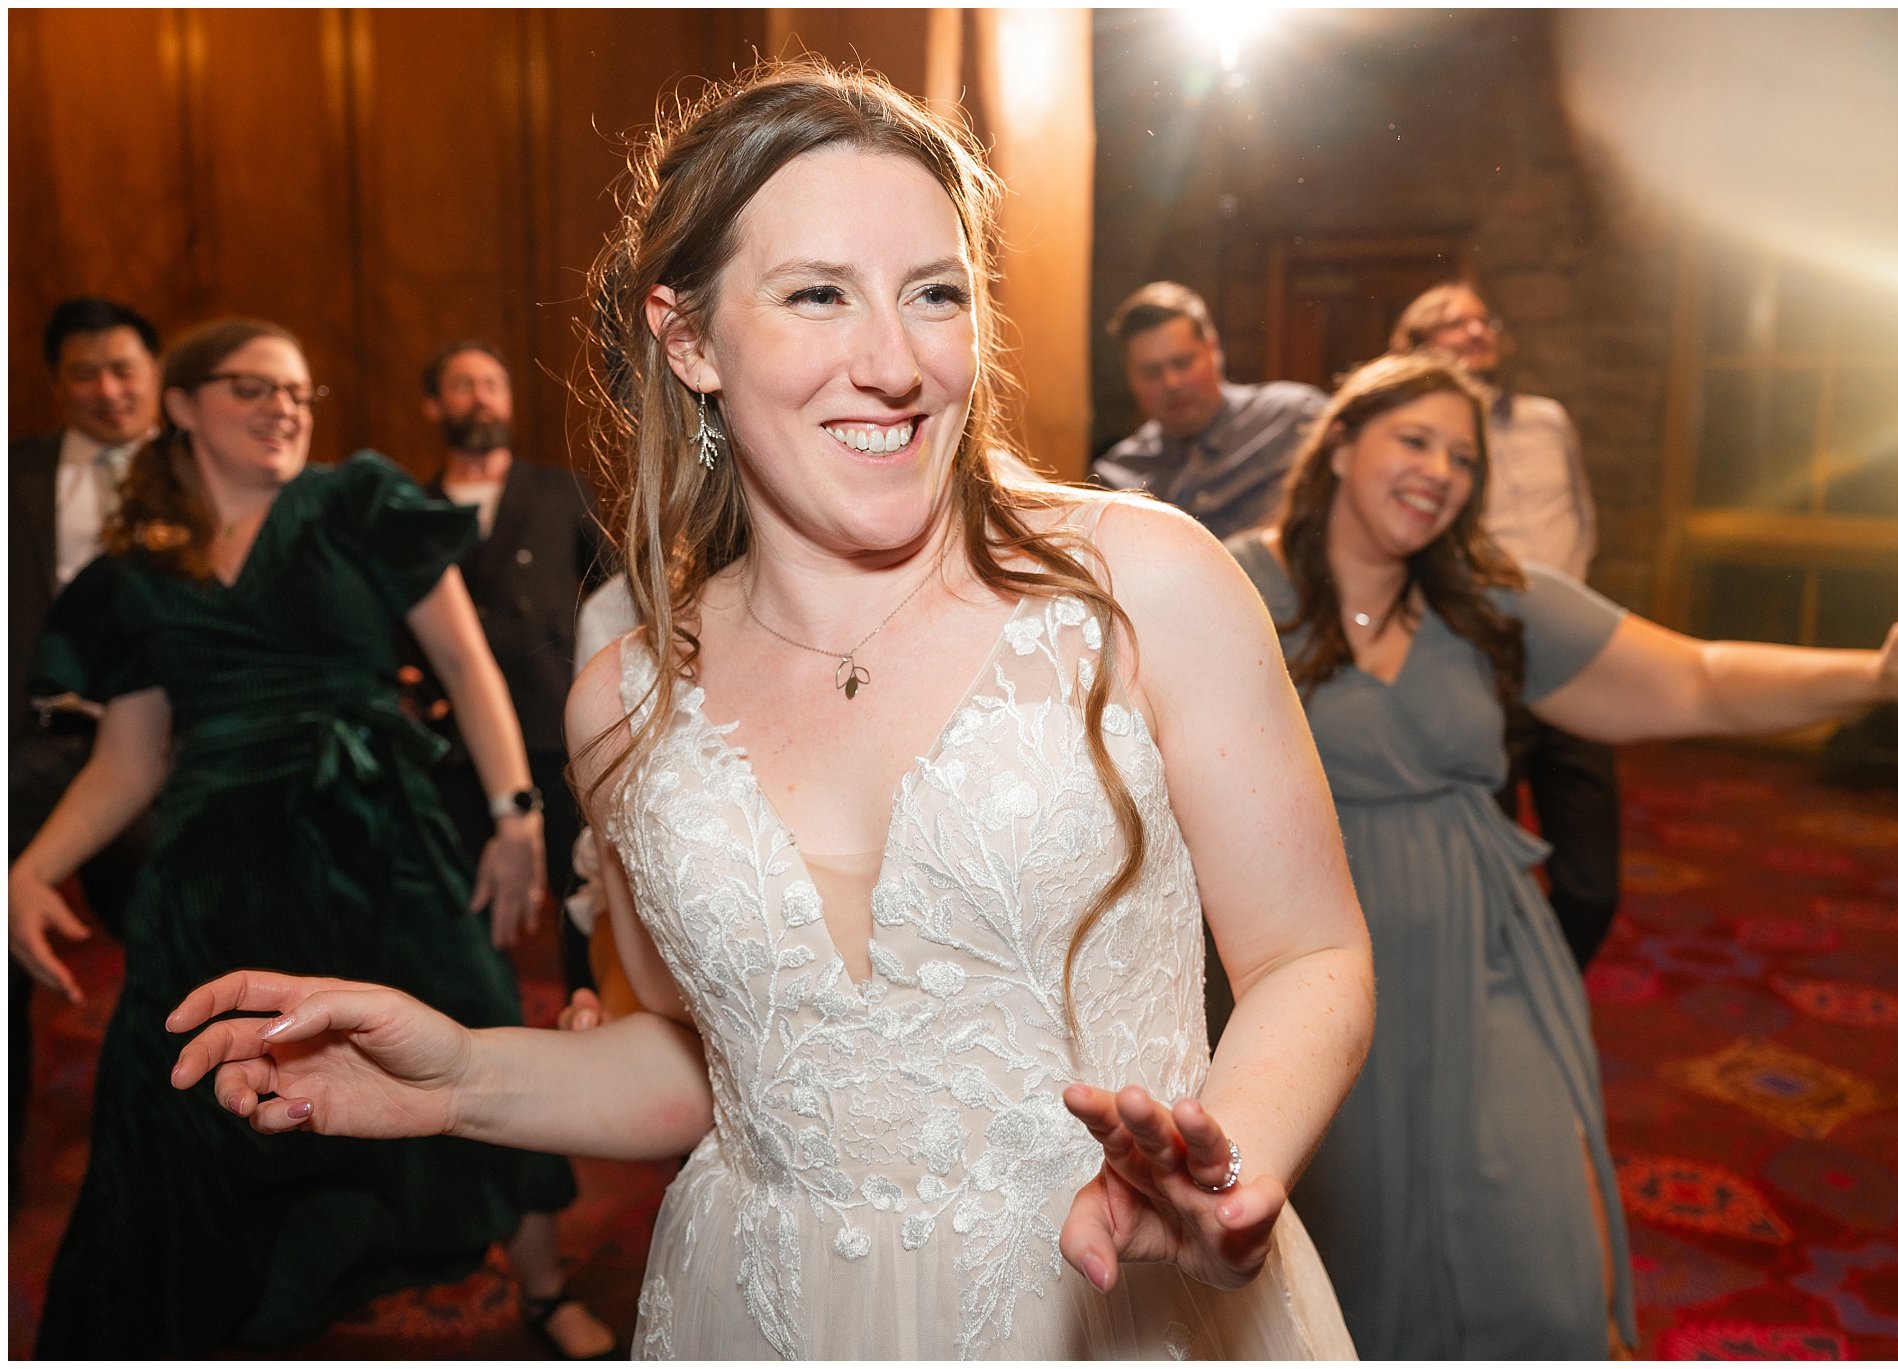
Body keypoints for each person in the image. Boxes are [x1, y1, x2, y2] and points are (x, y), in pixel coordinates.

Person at [167, 63, 1375, 1360]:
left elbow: (1311, 956)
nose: (896, 363)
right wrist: (465, 1074)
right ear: (687, 339)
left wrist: (1224, 1169)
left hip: (1119, 1304)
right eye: (817, 295)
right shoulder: (624, 701)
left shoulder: (1143, 583)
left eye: (935, 295)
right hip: (762, 1303)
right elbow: (722, 1074)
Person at [1229, 351, 1898, 1358]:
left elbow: (1701, 678)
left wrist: (1875, 674)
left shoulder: (1491, 602)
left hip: (1485, 957)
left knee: (1541, 1264)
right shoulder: (1237, 587)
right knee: (1340, 1256)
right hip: (1307, 967)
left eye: (1461, 457)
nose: (1437, 470)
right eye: (1411, 439)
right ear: (1339, 442)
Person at [6, 317, 615, 1357]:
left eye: (296, 391)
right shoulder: (142, 568)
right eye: (252, 388)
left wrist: (515, 814)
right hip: (218, 868)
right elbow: (127, 759)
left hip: (384, 837)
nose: (284, 406)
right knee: (187, 1088)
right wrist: (30, 867)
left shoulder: (357, 504)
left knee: (475, 1028)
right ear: (184, 407)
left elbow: (468, 671)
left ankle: (544, 1287)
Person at [1391, 282, 1621, 967]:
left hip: (1569, 661)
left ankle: (1544, 975)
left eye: (1480, 320)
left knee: (1591, 887)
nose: (1473, 331)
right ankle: (1491, 992)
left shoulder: (1549, 419)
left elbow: (1582, 515)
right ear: (1414, 348)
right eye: (1449, 324)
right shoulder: (1420, 441)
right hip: (1477, 662)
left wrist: (1565, 604)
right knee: (1483, 869)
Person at [7, 296, 163, 1206]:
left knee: (173, 937)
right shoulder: (14, 474)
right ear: (56, 384)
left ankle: (165, 1154)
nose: (106, 391)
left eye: (123, 371)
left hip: (154, 755)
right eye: (83, 374)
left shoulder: (202, 474)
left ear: (155, 378)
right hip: (26, 743)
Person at [410, 338, 609, 995]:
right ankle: (479, 1014)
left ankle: (590, 1006)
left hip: (556, 719)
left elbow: (616, 593)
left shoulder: (562, 489)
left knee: (581, 885)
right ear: (434, 406)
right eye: (464, 385)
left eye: (494, 383)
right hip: (455, 742)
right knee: (462, 900)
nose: (482, 397)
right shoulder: (410, 509)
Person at [1094, 281, 1327, 541]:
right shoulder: (1115, 476)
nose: (1172, 383)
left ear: (1213, 349)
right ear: (1130, 378)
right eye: (1151, 373)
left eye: (1182, 363)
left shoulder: (1293, 420)